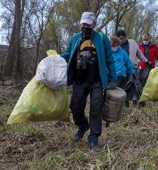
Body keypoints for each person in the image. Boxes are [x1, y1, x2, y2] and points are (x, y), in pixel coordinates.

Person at [61, 11, 117, 151]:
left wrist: (113, 78)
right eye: (83, 23)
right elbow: (67, 54)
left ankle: (93, 139)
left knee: (96, 109)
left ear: (94, 24)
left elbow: (110, 60)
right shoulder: (75, 38)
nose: (85, 26)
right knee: (75, 107)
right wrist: (56, 61)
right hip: (79, 80)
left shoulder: (101, 39)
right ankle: (82, 126)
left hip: (96, 81)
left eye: (88, 24)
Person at [115, 29, 148, 106]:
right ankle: (125, 101)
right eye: (119, 38)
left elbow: (139, 53)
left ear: (125, 37)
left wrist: (146, 60)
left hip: (133, 67)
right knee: (124, 85)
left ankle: (135, 101)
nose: (121, 40)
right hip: (122, 69)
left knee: (134, 84)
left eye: (122, 38)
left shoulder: (132, 42)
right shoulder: (116, 46)